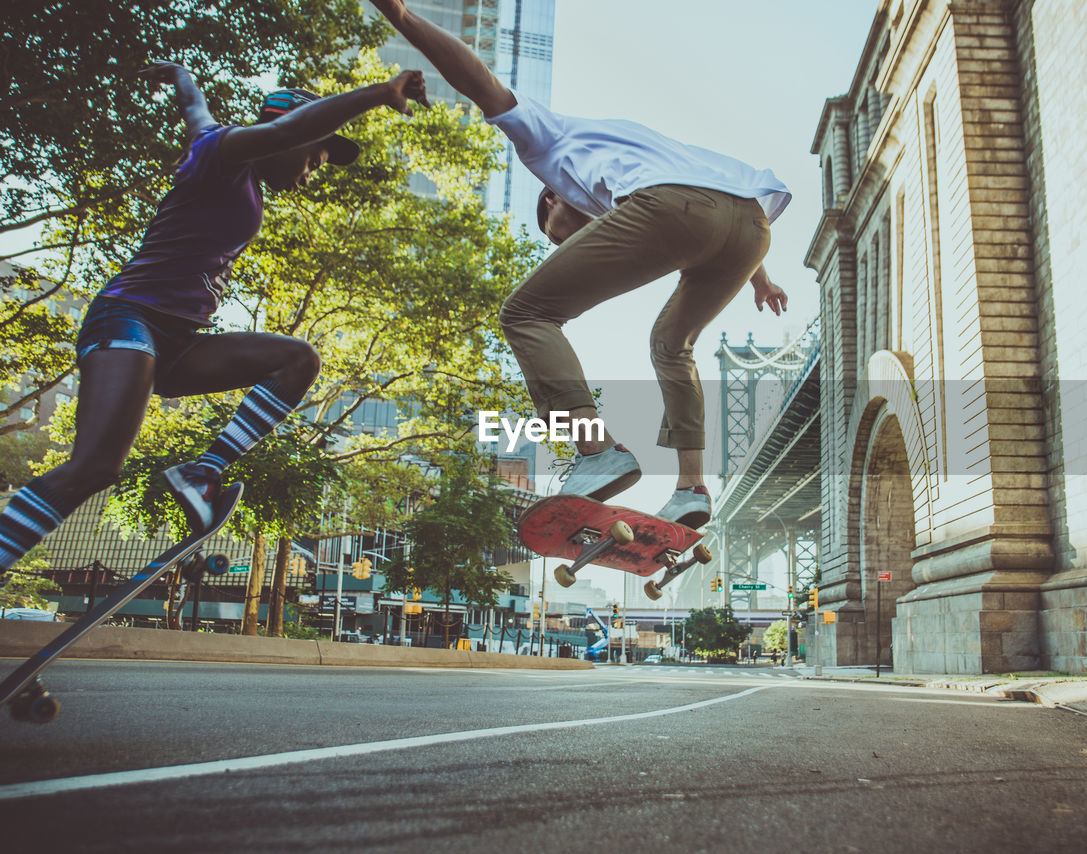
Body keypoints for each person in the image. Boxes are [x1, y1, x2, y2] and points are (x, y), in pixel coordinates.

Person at [369, 0, 790, 529]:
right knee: (671, 345)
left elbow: (480, 83)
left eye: (556, 236)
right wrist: (763, 280)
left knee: (525, 313)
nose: (563, 246)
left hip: (676, 210)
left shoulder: (548, 140)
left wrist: (403, 19)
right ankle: (690, 487)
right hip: (752, 228)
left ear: (551, 201)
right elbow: (719, 209)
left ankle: (595, 451)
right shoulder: (631, 154)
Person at [0, 62, 428, 573]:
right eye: (313, 159)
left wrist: (182, 74)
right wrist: (381, 93)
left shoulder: (217, 150)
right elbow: (281, 129)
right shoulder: (221, 154)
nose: (310, 174)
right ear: (291, 136)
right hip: (127, 320)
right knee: (95, 467)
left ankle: (203, 472)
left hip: (178, 344)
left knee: (297, 361)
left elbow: (194, 109)